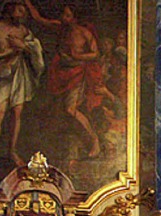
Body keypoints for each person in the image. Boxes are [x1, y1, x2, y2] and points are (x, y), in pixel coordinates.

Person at [24, 0, 103, 157]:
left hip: (77, 73)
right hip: (60, 73)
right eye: (63, 14)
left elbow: (96, 53)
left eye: (67, 15)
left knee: (70, 109)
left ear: (74, 17)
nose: (64, 17)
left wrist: (78, 56)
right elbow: (39, 19)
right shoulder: (60, 27)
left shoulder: (84, 33)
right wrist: (27, 3)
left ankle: (95, 140)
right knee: (57, 109)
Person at [0, 1, 45, 171]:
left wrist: (24, 46)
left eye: (24, 11)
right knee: (0, 114)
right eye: (19, 10)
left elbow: (34, 49)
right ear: (10, 10)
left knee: (17, 114)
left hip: (19, 74)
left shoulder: (23, 31)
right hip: (2, 74)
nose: (22, 15)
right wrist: (7, 53)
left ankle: (12, 151)